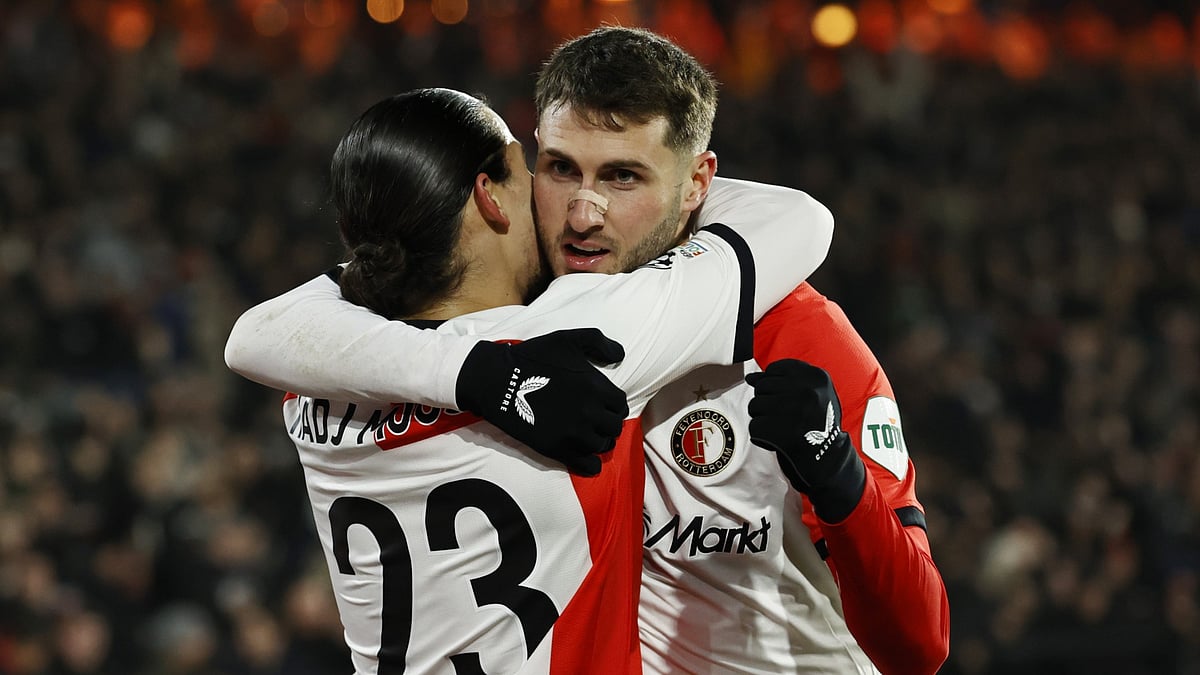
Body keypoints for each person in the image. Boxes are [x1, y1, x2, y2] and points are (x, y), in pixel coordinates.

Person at [226, 28, 949, 674]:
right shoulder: (540, 314)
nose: (582, 212)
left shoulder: (794, 334)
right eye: (561, 168)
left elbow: (920, 645)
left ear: (700, 182)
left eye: (622, 176)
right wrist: (482, 376)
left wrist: (841, 480)